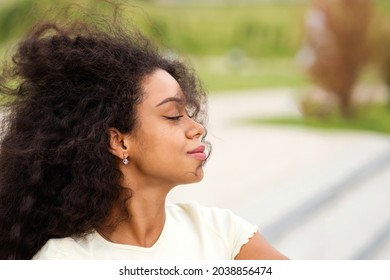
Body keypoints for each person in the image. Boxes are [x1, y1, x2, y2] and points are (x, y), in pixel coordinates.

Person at [0, 13, 287, 260]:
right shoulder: (66, 261)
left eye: (189, 113)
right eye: (174, 115)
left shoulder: (221, 233)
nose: (197, 128)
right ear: (120, 141)